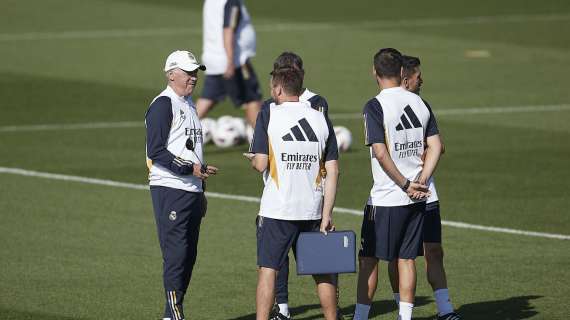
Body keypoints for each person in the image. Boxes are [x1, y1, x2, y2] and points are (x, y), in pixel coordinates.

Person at [353, 48, 443, 320]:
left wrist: (405, 184)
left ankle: (359, 317)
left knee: (369, 258)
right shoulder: (420, 103)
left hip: (387, 198)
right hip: (417, 198)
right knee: (406, 260)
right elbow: (436, 145)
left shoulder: (375, 106)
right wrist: (422, 180)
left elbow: (380, 152)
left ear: (374, 72)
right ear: (402, 73)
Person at [247, 66, 340, 320]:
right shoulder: (320, 119)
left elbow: (262, 164)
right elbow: (334, 171)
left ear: (277, 88)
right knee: (323, 272)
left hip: (277, 209)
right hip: (312, 209)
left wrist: (253, 158)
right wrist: (327, 214)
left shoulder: (270, 115)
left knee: (268, 270)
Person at [386, 55, 462, 320]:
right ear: (405, 79)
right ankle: (402, 309)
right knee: (398, 256)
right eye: (418, 76)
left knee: (433, 250)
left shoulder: (422, 105)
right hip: (396, 196)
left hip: (427, 193)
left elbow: (438, 145)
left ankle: (445, 309)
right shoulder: (384, 107)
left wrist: (423, 177)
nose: (422, 80)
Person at [145, 50, 219, 320]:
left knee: (188, 256)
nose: (193, 78)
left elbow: (193, 151)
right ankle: (174, 315)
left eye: (195, 72)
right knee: (176, 255)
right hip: (170, 188)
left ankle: (171, 313)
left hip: (191, 191)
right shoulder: (163, 104)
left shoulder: (188, 104)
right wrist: (190, 169)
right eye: (188, 72)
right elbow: (156, 151)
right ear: (171, 74)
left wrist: (202, 191)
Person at [198, 0, 262, 127]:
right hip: (234, 61)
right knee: (252, 98)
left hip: (214, 58)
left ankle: (176, 133)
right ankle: (262, 142)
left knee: (207, 99)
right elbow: (228, 30)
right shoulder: (231, 2)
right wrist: (230, 61)